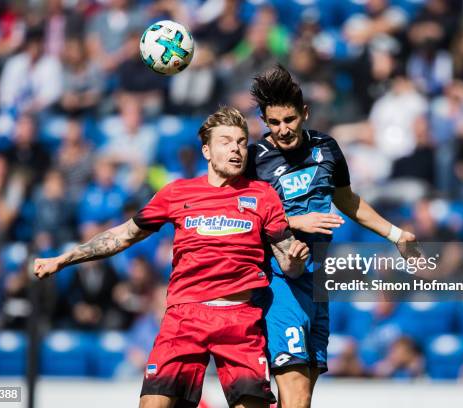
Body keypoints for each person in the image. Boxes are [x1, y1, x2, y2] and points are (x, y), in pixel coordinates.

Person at [34, 106, 310, 408]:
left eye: (242, 142)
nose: (236, 149)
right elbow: (123, 235)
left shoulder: (262, 195)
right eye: (226, 141)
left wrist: (295, 257)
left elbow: (288, 264)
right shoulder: (177, 193)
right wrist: (64, 258)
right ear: (206, 150)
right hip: (184, 318)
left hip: (239, 319)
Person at [246, 65, 417, 408]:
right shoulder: (255, 160)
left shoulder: (327, 149)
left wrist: (395, 234)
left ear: (305, 113)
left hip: (316, 282)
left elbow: (346, 200)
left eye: (289, 119)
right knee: (293, 392)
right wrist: (296, 221)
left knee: (303, 395)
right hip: (279, 281)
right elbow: (243, 217)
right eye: (273, 122)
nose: (282, 130)